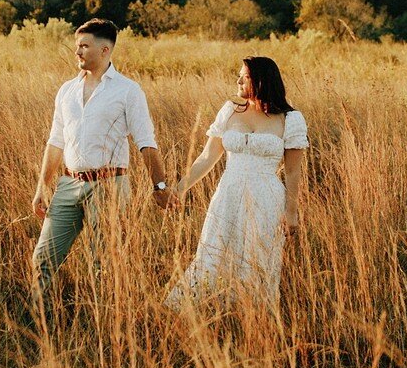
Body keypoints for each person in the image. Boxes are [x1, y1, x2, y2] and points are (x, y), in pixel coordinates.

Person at [31, 18, 173, 301]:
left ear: (105, 50)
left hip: (109, 187)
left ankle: (107, 329)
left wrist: (160, 187)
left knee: (105, 266)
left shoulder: (128, 91)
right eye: (77, 46)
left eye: (84, 46)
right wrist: (41, 187)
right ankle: (42, 325)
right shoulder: (66, 90)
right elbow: (55, 141)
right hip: (69, 184)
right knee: (42, 259)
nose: (78, 52)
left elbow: (146, 143)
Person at [165, 56, 308, 309]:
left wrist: (291, 212)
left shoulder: (290, 119)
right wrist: (179, 188)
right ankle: (203, 311)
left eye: (245, 76)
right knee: (212, 254)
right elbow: (207, 157)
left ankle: (251, 318)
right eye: (239, 74)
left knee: (257, 260)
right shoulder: (230, 110)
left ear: (262, 81)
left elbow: (293, 172)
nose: (238, 80)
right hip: (227, 194)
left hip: (266, 198)